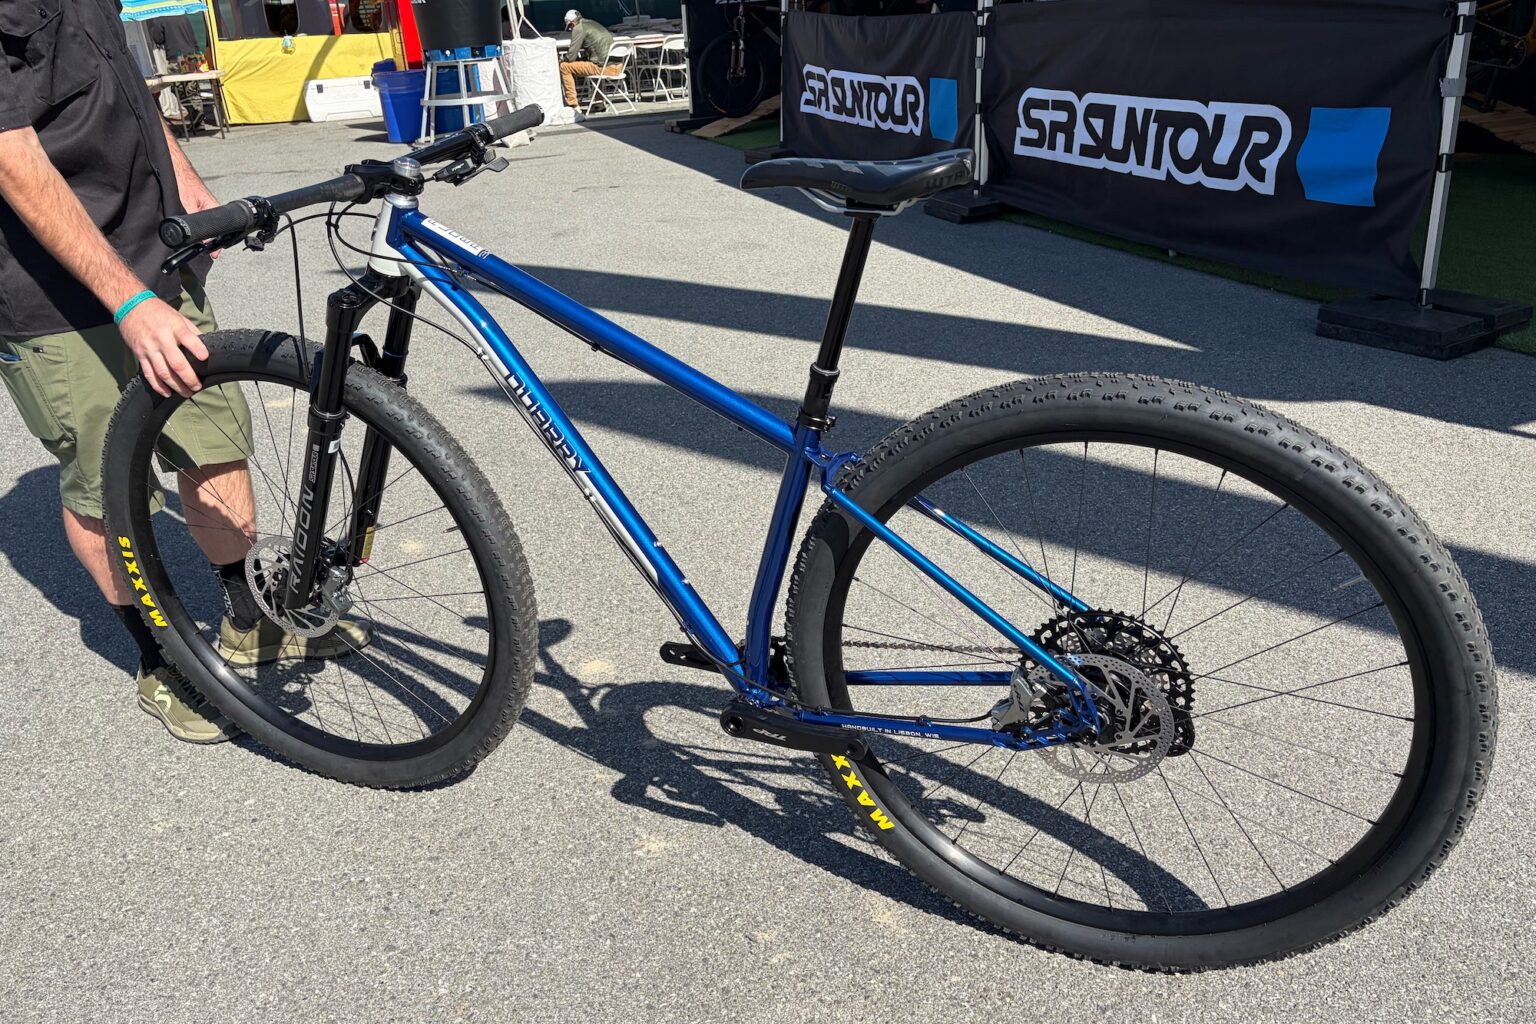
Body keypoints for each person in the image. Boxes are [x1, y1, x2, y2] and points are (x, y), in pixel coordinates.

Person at [0, 0, 366, 745]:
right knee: (107, 483)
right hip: (50, 294)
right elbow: (9, 153)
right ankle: (161, 658)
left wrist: (185, 177)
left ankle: (246, 617)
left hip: (149, 253)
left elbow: (117, 76)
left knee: (213, 440)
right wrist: (125, 300)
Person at [559, 9, 621, 111]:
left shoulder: (578, 28)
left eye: (570, 27)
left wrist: (563, 59)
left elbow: (571, 57)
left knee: (564, 67)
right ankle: (599, 101)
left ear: (572, 23)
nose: (570, 30)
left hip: (605, 68)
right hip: (618, 66)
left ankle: (573, 105)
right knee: (593, 63)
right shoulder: (592, 23)